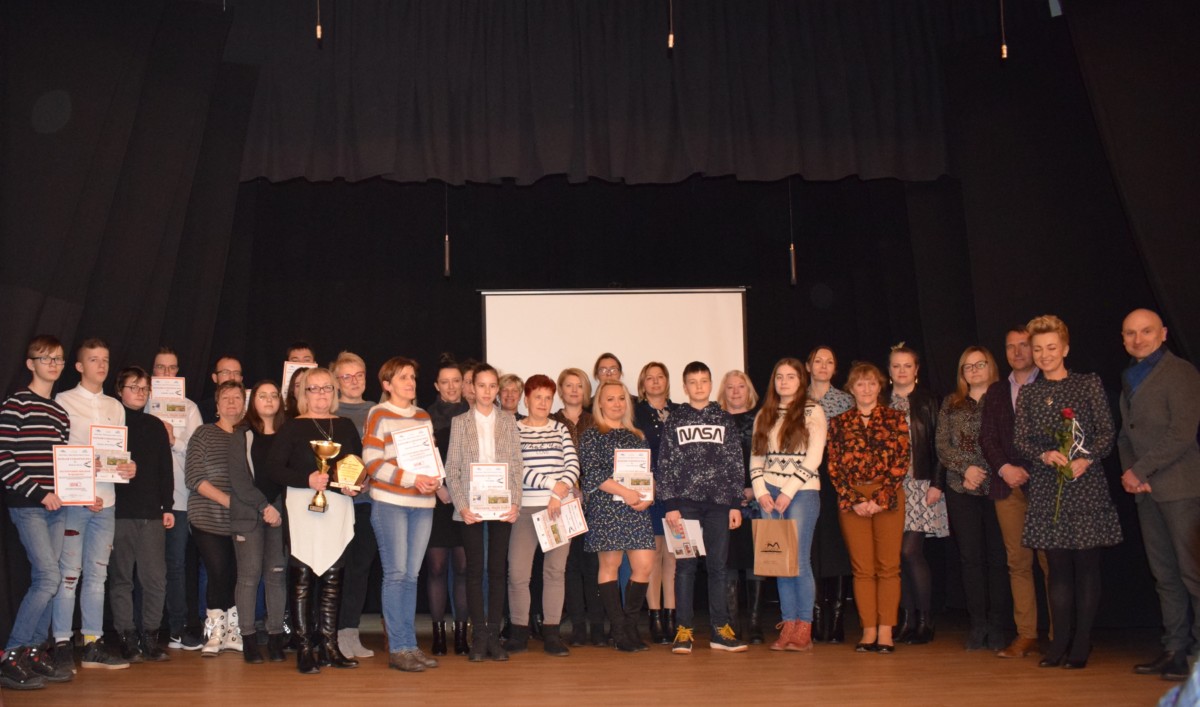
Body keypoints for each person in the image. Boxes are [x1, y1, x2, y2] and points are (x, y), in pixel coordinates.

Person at [1014, 314, 1121, 670]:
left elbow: (1106, 432)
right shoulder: (1030, 392)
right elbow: (1021, 440)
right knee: (1057, 568)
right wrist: (1044, 455)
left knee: (1087, 567)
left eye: (1051, 348)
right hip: (1048, 487)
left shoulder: (1088, 384)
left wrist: (1087, 458)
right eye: (1038, 349)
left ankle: (1082, 641)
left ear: (1065, 349)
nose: (1044, 355)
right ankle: (1059, 640)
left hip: (1085, 485)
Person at [1120, 309, 1200, 682]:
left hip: (1181, 489)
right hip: (1147, 491)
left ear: (1163, 333)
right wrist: (1132, 475)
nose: (1138, 339)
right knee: (1165, 576)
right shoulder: (1130, 376)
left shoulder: (1181, 373)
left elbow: (1182, 434)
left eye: (1146, 331)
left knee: (1192, 574)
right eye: (1130, 333)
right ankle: (1174, 650)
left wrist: (1141, 471)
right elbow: (1127, 434)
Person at [267, 367, 363, 674]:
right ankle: (305, 648)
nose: (321, 394)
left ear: (334, 392)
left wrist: (355, 485)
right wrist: (306, 479)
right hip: (302, 506)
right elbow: (274, 469)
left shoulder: (345, 425)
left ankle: (330, 646)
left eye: (326, 388)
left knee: (334, 578)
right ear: (303, 393)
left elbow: (356, 465)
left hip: (337, 506)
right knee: (302, 579)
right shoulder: (292, 427)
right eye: (314, 388)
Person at [55, 338, 134, 670]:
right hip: (76, 502)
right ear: (79, 366)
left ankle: (92, 642)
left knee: (98, 575)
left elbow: (116, 456)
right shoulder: (63, 401)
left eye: (105, 359)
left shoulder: (116, 406)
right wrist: (83, 488)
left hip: (108, 502)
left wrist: (128, 467)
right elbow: (60, 456)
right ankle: (61, 642)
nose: (101, 365)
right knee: (69, 574)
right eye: (93, 359)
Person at [0, 335, 74, 690]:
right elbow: (4, 460)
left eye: (58, 358)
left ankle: (33, 651)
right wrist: (40, 493)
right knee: (47, 578)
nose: (53, 364)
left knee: (51, 579)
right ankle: (11, 655)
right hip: (28, 505)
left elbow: (64, 465)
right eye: (46, 358)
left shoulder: (60, 413)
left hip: (56, 507)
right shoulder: (16, 403)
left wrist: (79, 488)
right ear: (30, 363)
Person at [657, 362, 747, 654]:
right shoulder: (675, 419)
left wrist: (735, 504)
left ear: (710, 384)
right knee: (685, 568)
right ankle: (683, 630)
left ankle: (720, 630)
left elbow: (735, 463)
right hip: (684, 506)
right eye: (693, 382)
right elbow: (665, 463)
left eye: (704, 381)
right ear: (685, 387)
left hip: (719, 505)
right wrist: (670, 504)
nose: (699, 386)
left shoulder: (724, 418)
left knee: (718, 567)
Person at [363, 357, 443, 673]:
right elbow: (372, 462)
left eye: (412, 376)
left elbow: (431, 459)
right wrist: (412, 479)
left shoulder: (423, 416)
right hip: (390, 504)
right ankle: (398, 648)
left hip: (422, 505)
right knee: (396, 575)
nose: (410, 382)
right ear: (387, 385)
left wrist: (435, 479)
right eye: (402, 378)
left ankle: (410, 645)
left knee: (411, 576)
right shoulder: (379, 413)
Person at [827, 362, 910, 654]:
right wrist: (856, 499)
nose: (866, 389)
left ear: (880, 386)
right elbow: (834, 467)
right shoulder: (839, 423)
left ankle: (886, 631)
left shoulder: (895, 419)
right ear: (851, 388)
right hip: (853, 501)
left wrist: (880, 499)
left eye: (871, 383)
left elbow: (902, 461)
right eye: (860, 384)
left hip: (887, 497)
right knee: (862, 569)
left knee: (888, 567)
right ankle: (868, 630)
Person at [444, 363, 523, 662]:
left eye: (492, 386)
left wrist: (515, 502)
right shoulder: (460, 422)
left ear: (497, 389)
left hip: (502, 506)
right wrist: (462, 506)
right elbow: (452, 468)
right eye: (482, 385)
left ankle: (494, 636)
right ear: (472, 389)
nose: (487, 391)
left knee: (498, 570)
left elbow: (516, 465)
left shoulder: (508, 421)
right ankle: (478, 637)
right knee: (475, 571)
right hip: (471, 507)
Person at [979, 325, 1050, 659]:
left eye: (1024, 345)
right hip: (1007, 485)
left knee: (1051, 561)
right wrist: (1005, 468)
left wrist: (1032, 468)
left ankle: (1059, 633)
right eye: (1011, 346)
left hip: (1045, 483)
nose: (1018, 352)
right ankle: (1026, 634)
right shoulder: (996, 391)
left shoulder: (1050, 383)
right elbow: (987, 437)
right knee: (1017, 562)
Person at [750, 358, 827, 652]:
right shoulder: (765, 413)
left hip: (801, 492)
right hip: (769, 493)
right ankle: (789, 625)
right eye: (779, 377)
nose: (784, 382)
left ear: (800, 380)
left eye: (791, 376)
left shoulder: (812, 410)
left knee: (798, 561)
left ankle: (804, 627)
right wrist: (761, 492)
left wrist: (788, 490)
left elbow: (814, 457)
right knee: (779, 562)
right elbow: (757, 456)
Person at [936, 347, 1009, 650]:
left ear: (991, 367)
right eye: (968, 366)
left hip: (997, 487)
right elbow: (942, 445)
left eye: (980, 364)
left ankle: (998, 624)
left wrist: (985, 471)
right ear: (961, 373)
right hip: (961, 487)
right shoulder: (951, 403)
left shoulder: (1004, 400)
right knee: (970, 559)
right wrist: (966, 468)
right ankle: (978, 624)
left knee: (998, 558)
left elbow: (1009, 442)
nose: (974, 370)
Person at [579, 380, 655, 653]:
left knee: (644, 565)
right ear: (600, 403)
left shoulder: (637, 435)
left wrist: (648, 496)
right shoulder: (591, 435)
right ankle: (620, 630)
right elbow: (593, 475)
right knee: (610, 565)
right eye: (610, 399)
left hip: (636, 509)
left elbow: (647, 473)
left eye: (621, 398)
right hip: (607, 508)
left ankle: (629, 626)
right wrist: (626, 492)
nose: (616, 403)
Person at [507, 374, 580, 656]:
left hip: (558, 509)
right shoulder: (514, 429)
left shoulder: (560, 429)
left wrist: (557, 496)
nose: (543, 402)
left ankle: (552, 633)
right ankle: (518, 633)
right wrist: (552, 485)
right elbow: (517, 467)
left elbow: (572, 465)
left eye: (548, 398)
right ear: (526, 400)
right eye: (537, 397)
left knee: (554, 572)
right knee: (518, 574)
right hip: (525, 508)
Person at [108, 366, 174, 664]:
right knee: (122, 578)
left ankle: (150, 636)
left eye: (144, 388)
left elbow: (165, 470)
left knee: (155, 579)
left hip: (151, 513)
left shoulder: (155, 425)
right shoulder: (110, 423)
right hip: (118, 511)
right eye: (133, 387)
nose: (139, 393)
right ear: (119, 390)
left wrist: (168, 506)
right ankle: (126, 638)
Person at [887, 344, 947, 644]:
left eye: (907, 366)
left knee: (910, 552)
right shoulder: (882, 401)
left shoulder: (929, 401)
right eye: (896, 366)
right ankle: (907, 620)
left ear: (916, 369)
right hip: (891, 488)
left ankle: (925, 620)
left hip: (922, 485)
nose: (901, 371)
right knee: (896, 557)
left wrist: (938, 482)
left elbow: (940, 445)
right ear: (889, 370)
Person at [228, 380, 288, 664]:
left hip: (279, 515)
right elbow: (239, 480)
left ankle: (275, 637)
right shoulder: (241, 434)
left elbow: (291, 475)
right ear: (253, 402)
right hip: (248, 515)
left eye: (274, 395)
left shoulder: (288, 434)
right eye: (262, 396)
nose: (268, 400)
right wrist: (264, 506)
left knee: (276, 576)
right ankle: (249, 638)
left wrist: (277, 509)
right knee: (249, 577)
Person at [185, 380, 246, 657]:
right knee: (218, 571)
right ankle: (214, 631)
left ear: (244, 404)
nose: (232, 402)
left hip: (242, 521)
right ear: (217, 405)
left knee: (235, 575)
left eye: (237, 397)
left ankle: (232, 630)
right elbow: (194, 477)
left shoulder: (248, 435)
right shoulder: (204, 433)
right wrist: (229, 501)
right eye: (226, 398)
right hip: (207, 516)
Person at [150, 347, 205, 651]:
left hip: (180, 500)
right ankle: (145, 629)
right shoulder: (141, 403)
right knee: (146, 566)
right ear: (153, 372)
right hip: (146, 501)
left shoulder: (189, 408)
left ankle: (177, 627)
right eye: (161, 368)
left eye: (172, 368)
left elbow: (198, 455)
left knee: (176, 564)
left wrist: (174, 440)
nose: (167, 374)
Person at [330, 351, 378, 659]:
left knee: (360, 569)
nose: (353, 381)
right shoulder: (329, 411)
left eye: (358, 375)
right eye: (346, 376)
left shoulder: (377, 411)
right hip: (335, 503)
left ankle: (350, 632)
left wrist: (371, 480)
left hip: (368, 503)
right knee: (334, 569)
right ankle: (329, 633)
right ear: (336, 381)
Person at [552, 368, 605, 648]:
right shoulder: (551, 422)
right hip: (562, 504)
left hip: (594, 502)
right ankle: (578, 627)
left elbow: (604, 462)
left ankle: (597, 626)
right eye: (569, 385)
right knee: (569, 567)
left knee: (593, 565)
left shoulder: (596, 421)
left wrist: (587, 489)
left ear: (586, 391)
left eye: (579, 386)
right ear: (560, 390)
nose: (574, 390)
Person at [805, 346, 855, 643]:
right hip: (805, 479)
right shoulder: (797, 399)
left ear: (835, 368)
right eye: (818, 361)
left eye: (829, 362)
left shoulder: (846, 400)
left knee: (836, 546)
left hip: (837, 478)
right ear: (808, 366)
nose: (823, 366)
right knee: (810, 548)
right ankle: (813, 617)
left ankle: (836, 620)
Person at [424, 354, 470, 656]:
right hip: (437, 499)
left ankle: (462, 633)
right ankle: (438, 632)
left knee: (463, 568)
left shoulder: (474, 415)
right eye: (445, 382)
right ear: (436, 385)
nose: (451, 387)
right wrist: (440, 487)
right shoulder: (424, 417)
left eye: (456, 381)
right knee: (437, 567)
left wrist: (462, 491)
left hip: (467, 500)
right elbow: (421, 458)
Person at [632, 361, 680, 644]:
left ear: (667, 381)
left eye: (659, 377)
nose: (655, 382)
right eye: (649, 378)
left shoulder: (680, 411)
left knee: (673, 555)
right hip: (648, 490)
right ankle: (655, 617)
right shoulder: (636, 413)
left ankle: (672, 616)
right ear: (642, 384)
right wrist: (649, 482)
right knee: (652, 555)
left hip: (676, 493)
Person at [717, 369, 763, 644]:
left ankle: (755, 624)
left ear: (749, 391)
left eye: (741, 386)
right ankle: (732, 622)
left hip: (758, 498)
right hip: (725, 501)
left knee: (757, 559)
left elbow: (770, 457)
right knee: (730, 559)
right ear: (723, 392)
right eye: (730, 387)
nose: (735, 392)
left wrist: (755, 489)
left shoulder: (762, 419)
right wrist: (732, 493)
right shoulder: (716, 421)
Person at [199, 356, 244, 424]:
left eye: (236, 373)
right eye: (225, 372)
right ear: (215, 378)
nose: (232, 377)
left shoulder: (252, 408)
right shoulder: (201, 410)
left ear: (241, 379)